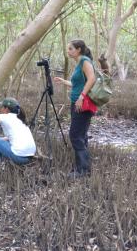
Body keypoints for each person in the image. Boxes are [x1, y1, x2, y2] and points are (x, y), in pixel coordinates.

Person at [53, 39, 96, 178]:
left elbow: (92, 79)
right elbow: (77, 84)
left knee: (75, 135)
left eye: (70, 49)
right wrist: (63, 81)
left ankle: (82, 171)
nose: (68, 51)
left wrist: (82, 97)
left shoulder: (84, 61)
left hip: (82, 104)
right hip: (77, 102)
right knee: (81, 135)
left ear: (78, 49)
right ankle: (83, 166)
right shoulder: (80, 63)